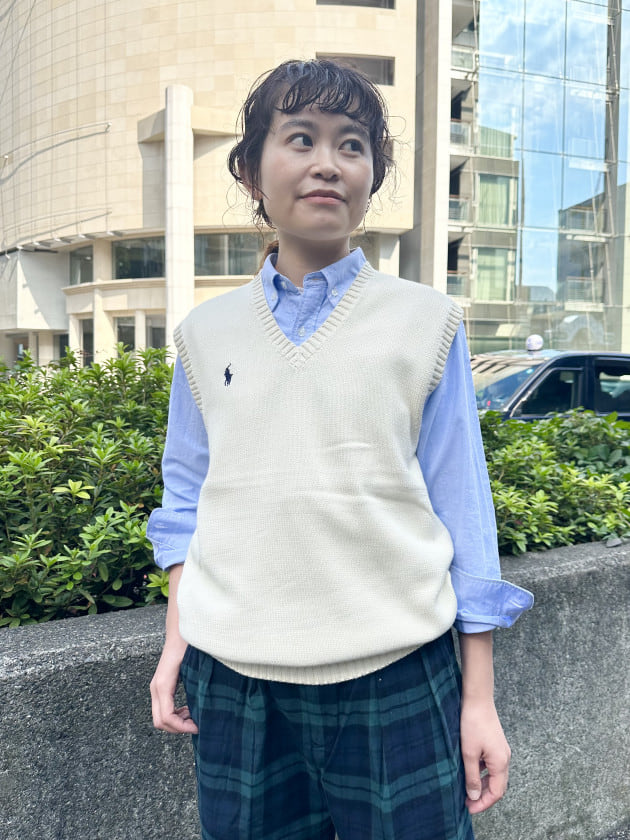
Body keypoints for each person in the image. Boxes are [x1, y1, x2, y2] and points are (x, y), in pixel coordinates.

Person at [148, 58, 533, 840]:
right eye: (301, 138)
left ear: (371, 177)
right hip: (234, 680)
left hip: (398, 670)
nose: (328, 162)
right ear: (250, 170)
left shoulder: (428, 322)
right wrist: (175, 642)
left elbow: (463, 506)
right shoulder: (202, 335)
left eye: (351, 144)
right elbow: (186, 495)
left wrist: (479, 698)